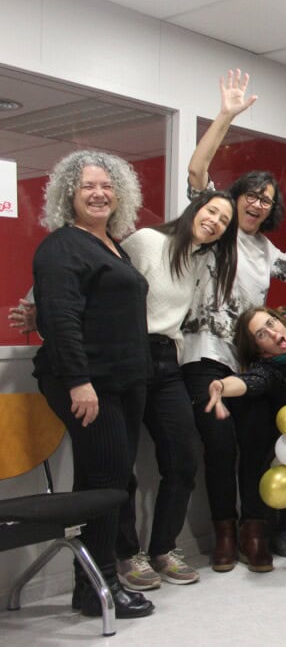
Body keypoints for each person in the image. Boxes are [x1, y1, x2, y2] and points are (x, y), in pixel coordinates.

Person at [182, 70, 286, 573]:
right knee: (219, 447)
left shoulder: (262, 247)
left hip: (251, 361)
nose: (258, 203)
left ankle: (255, 530)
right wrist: (226, 116)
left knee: (257, 446)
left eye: (267, 200)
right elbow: (196, 171)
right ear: (236, 197)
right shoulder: (216, 228)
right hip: (204, 356)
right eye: (253, 194)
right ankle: (224, 533)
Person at [32, 150, 154, 619]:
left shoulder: (112, 245)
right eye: (88, 186)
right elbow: (60, 319)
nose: (99, 193)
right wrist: (79, 382)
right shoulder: (63, 246)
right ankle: (99, 585)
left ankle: (94, 586)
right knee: (105, 482)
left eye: (107, 186)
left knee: (108, 480)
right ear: (69, 194)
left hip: (123, 382)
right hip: (89, 385)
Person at [114, 189, 238, 589]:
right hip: (128, 353)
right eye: (212, 211)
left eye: (224, 221)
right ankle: (126, 554)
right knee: (121, 464)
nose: (215, 222)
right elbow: (102, 276)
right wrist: (36, 304)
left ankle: (163, 549)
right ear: (195, 209)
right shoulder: (148, 241)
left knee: (184, 457)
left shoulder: (199, 262)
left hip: (168, 361)